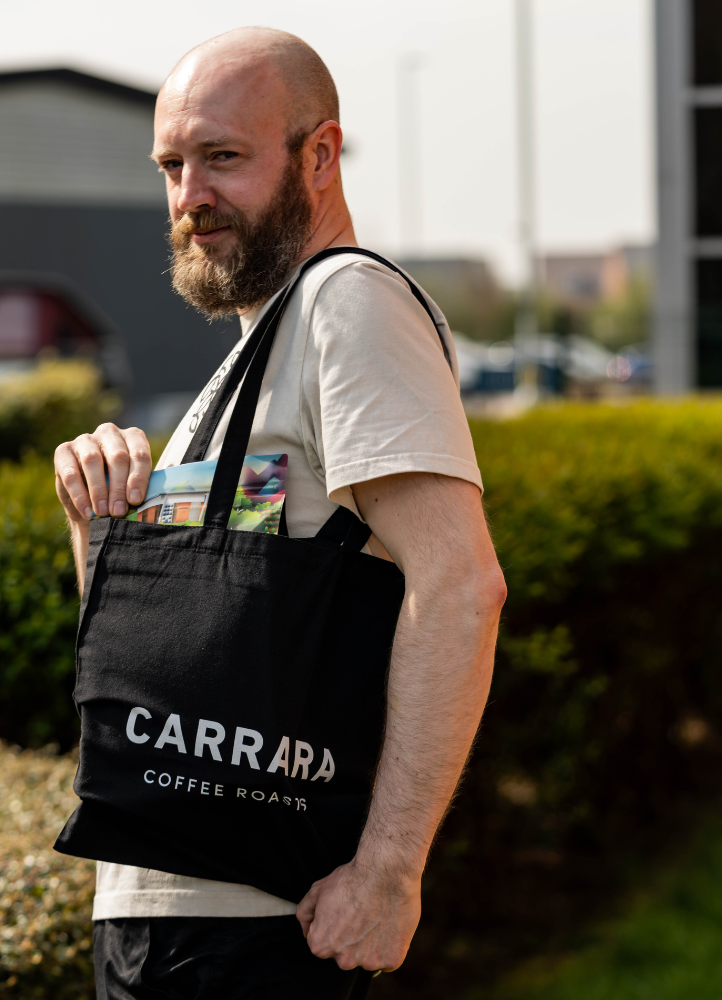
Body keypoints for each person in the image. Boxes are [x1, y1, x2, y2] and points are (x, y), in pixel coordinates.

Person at [53, 26, 506, 1000]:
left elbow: (460, 582)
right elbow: (177, 652)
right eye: (171, 165)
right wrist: (100, 522)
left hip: (253, 933)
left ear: (319, 155)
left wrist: (388, 870)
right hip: (174, 918)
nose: (189, 197)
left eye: (222, 157)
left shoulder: (346, 303)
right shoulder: (257, 352)